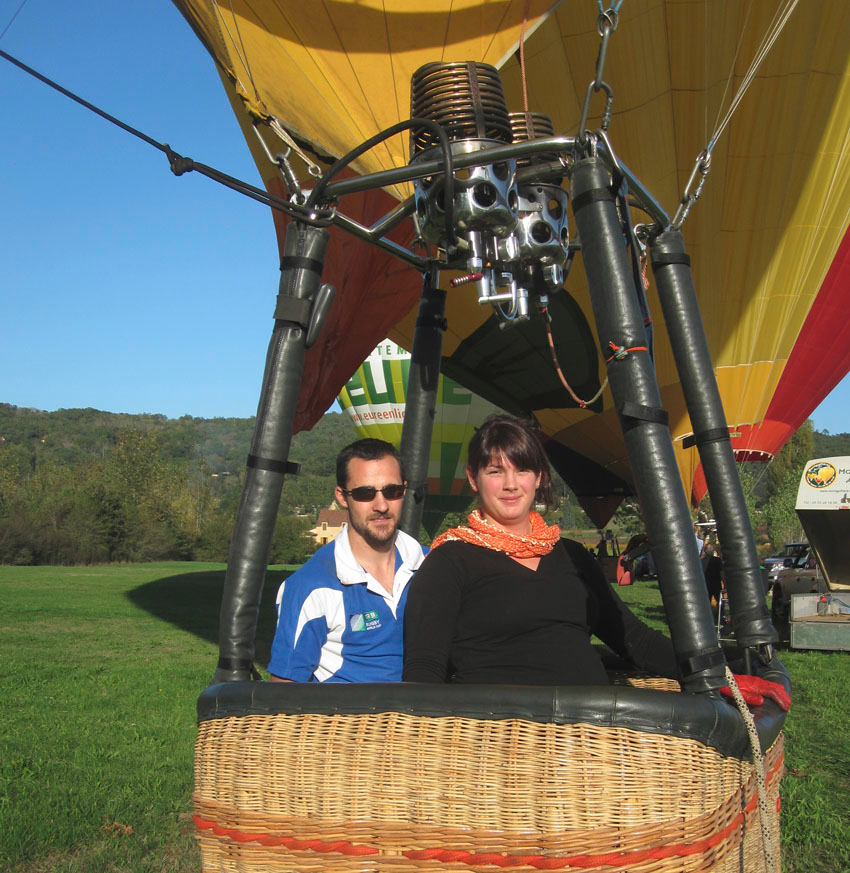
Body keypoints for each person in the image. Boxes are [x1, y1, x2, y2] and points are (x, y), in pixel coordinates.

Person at [403, 415, 678, 685]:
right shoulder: (449, 560)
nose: (511, 484)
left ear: (538, 477)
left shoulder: (573, 555)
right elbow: (424, 667)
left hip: (592, 726)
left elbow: (635, 639)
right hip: (500, 726)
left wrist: (707, 667)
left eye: (522, 470)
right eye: (495, 471)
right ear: (474, 479)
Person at [268, 438, 426, 682]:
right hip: (349, 719)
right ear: (342, 496)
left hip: (430, 716)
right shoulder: (310, 586)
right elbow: (283, 693)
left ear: (404, 491)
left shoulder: (433, 564)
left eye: (392, 491)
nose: (382, 505)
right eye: (365, 493)